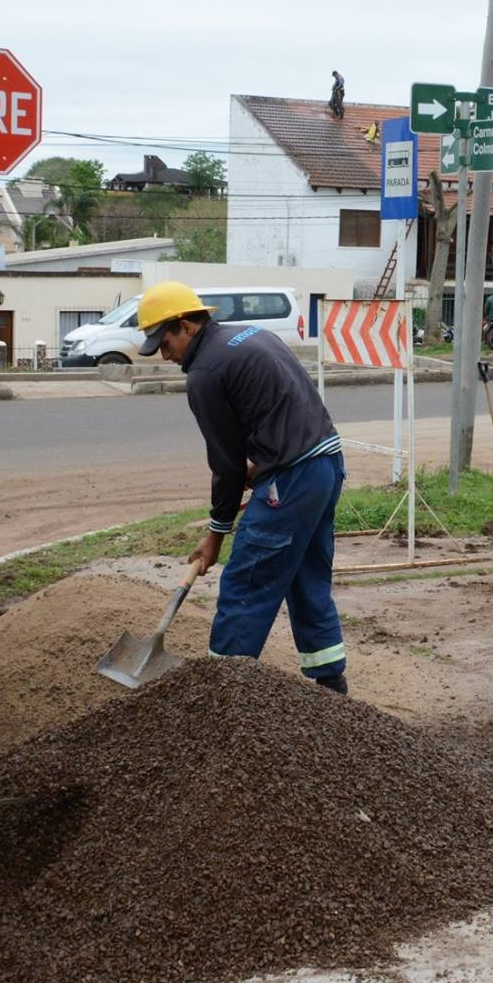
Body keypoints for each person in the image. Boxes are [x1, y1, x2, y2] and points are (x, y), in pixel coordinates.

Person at [134, 280, 348, 694]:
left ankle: (222, 696)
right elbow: (287, 409)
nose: (164, 354)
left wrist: (216, 534)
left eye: (165, 342)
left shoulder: (205, 373)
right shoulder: (251, 335)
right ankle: (330, 685)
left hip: (291, 478)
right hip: (325, 464)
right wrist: (264, 466)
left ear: (187, 326)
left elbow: (226, 465)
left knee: (246, 583)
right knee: (306, 578)